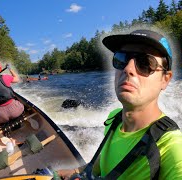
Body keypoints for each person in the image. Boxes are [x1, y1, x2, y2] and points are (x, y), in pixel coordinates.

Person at [58, 29, 182, 179]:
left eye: (145, 63)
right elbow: (100, 166)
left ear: (165, 79)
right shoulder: (115, 118)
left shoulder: (172, 146)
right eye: (122, 59)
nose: (128, 69)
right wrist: (74, 172)